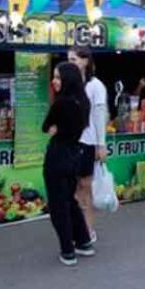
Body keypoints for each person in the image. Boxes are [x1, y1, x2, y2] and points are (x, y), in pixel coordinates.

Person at [42, 62, 93, 266]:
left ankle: (67, 250)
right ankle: (83, 241)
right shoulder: (83, 101)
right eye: (54, 77)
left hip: (57, 157)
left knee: (58, 205)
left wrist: (55, 128)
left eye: (58, 78)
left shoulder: (61, 103)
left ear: (67, 80)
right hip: (74, 156)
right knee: (70, 201)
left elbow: (46, 126)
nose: (54, 81)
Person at [68, 47, 107, 243]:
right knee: (74, 188)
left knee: (85, 187)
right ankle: (77, 229)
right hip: (71, 142)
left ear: (85, 61)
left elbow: (100, 115)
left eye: (74, 59)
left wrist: (101, 144)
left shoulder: (95, 86)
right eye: (69, 60)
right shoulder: (71, 85)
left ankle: (88, 230)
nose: (71, 63)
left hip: (88, 141)